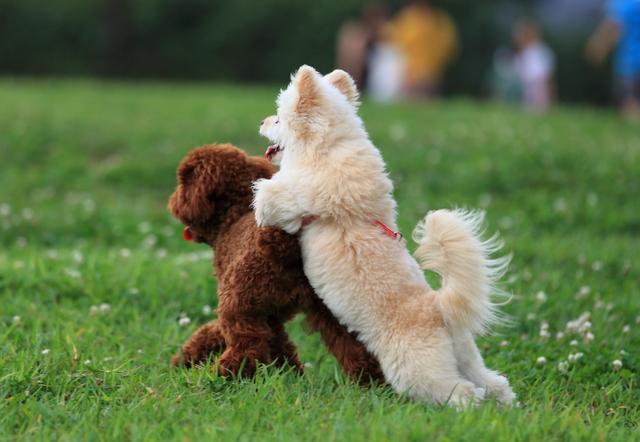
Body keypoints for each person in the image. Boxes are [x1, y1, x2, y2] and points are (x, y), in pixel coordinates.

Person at [385, 0, 458, 98]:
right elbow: (393, 47)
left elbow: (449, 48)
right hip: (407, 78)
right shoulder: (405, 18)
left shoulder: (440, 20)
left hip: (432, 78)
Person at [586, 0, 640, 118]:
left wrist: (598, 47)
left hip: (629, 64)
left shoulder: (623, 3)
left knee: (630, 104)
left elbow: (611, 27)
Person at [512, 19, 556, 111]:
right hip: (527, 87)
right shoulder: (525, 52)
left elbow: (547, 76)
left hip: (538, 86)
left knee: (538, 110)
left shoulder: (539, 51)